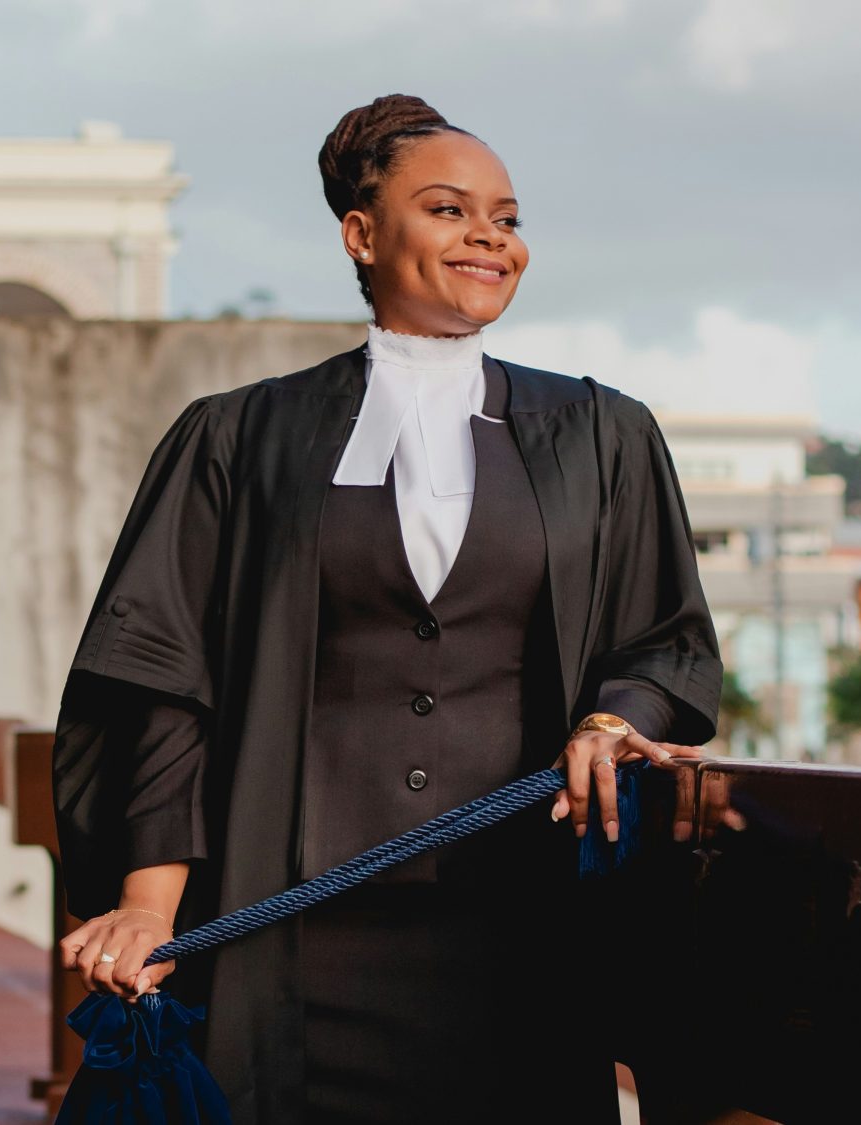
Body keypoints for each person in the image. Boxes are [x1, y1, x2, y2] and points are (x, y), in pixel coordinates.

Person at [51, 94, 722, 1123]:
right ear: (362, 235)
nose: (489, 236)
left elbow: (665, 641)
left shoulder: (604, 434)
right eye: (450, 209)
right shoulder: (237, 440)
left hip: (518, 935)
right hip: (288, 928)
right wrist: (146, 909)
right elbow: (159, 684)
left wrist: (615, 715)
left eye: (506, 216)